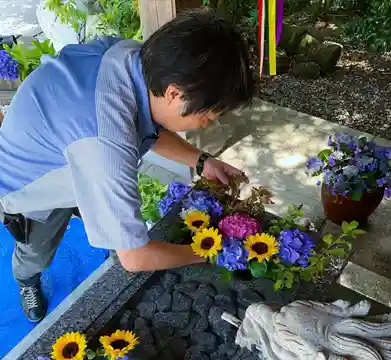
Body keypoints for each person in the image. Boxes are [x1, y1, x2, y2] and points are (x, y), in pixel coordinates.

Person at [0, 9, 255, 323]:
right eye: (208, 117)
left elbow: (147, 127)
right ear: (176, 93)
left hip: (69, 149)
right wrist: (208, 250)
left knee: (110, 216)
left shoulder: (131, 57)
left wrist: (203, 161)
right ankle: (27, 279)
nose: (206, 125)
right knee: (36, 251)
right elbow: (135, 258)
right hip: (31, 187)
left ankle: (106, 226)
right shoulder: (105, 146)